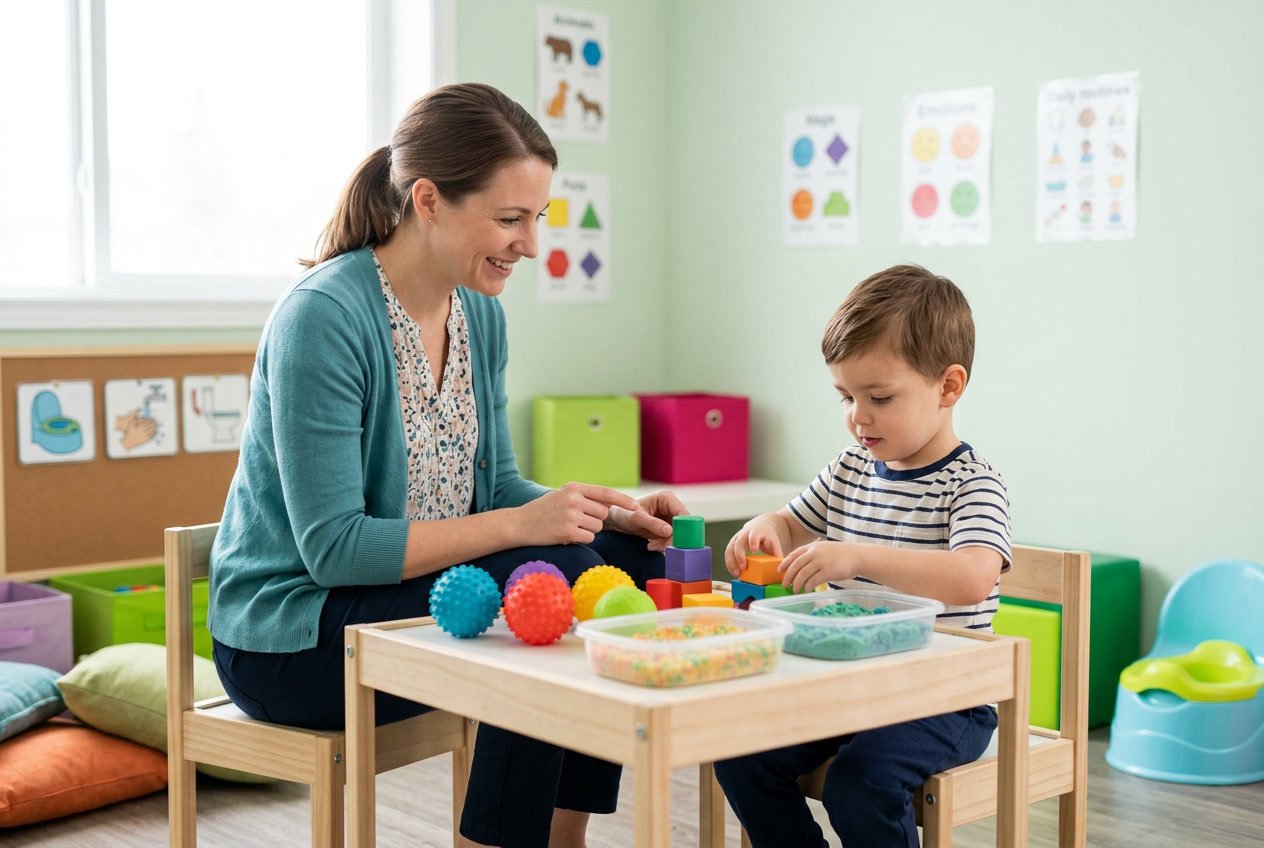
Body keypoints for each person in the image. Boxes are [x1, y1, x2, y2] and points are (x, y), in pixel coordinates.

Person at [207, 82, 686, 848]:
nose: (530, 243)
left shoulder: (481, 313)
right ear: (427, 200)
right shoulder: (324, 317)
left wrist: (600, 510)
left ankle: (565, 836)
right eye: (509, 219)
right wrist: (526, 527)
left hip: (410, 605)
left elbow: (494, 490)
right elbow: (333, 549)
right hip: (295, 639)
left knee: (614, 560)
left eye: (538, 218)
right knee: (544, 575)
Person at [714, 265, 1011, 848]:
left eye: (879, 397)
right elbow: (792, 524)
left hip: (944, 700)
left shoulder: (972, 484)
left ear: (949, 387)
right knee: (739, 752)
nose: (858, 415)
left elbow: (974, 577)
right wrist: (762, 529)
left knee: (861, 782)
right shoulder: (849, 469)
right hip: (848, 687)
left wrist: (854, 557)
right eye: (846, 396)